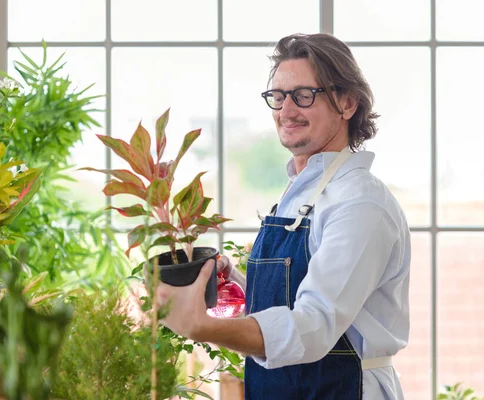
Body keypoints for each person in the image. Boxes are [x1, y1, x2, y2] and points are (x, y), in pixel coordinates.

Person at [157, 33, 411, 400]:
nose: (286, 111)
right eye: (278, 96)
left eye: (304, 95)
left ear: (347, 102)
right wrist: (240, 284)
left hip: (341, 390)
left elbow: (314, 326)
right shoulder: (300, 193)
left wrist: (201, 328)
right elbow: (291, 303)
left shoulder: (360, 204)